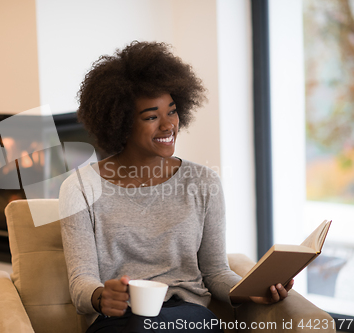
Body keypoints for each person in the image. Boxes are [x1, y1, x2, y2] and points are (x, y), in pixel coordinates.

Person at [58, 41, 293, 333]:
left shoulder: (204, 182)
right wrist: (102, 296)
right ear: (120, 123)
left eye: (172, 111)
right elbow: (81, 283)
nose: (168, 126)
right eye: (151, 117)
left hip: (187, 317)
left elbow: (216, 273)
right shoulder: (79, 188)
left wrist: (250, 290)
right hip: (119, 321)